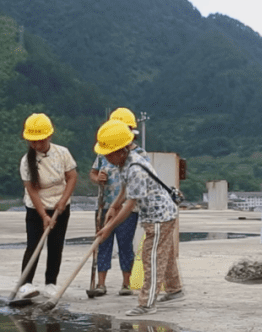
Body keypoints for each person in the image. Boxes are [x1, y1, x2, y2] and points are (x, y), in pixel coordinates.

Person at [94, 119, 183, 317]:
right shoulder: (125, 163)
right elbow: (124, 190)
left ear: (119, 151)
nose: (106, 158)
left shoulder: (135, 168)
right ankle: (175, 289)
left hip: (160, 216)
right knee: (164, 254)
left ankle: (146, 304)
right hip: (159, 214)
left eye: (108, 153)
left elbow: (130, 205)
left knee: (150, 258)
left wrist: (109, 228)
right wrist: (114, 205)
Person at [17, 113, 77, 300]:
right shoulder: (26, 161)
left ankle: (51, 283)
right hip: (36, 209)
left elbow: (72, 177)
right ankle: (25, 284)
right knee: (34, 245)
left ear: (49, 136)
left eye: (39, 141)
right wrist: (43, 215)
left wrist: (62, 201)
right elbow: (32, 190)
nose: (36, 145)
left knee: (55, 246)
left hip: (60, 206)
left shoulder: (62, 153)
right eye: (32, 142)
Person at [88, 107, 145, 297]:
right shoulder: (104, 150)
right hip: (105, 205)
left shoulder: (138, 157)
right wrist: (98, 179)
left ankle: (126, 283)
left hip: (129, 208)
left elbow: (129, 190)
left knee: (125, 244)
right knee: (103, 242)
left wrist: (118, 205)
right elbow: (93, 173)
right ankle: (101, 284)